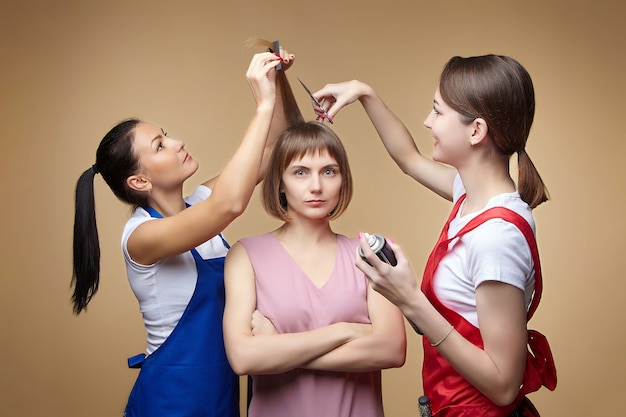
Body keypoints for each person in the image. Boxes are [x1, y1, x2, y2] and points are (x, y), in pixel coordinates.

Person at [312, 55, 557, 417]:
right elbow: (408, 158)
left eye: (437, 112)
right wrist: (365, 94)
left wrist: (410, 301)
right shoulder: (472, 198)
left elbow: (504, 386)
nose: (428, 122)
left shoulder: (496, 238)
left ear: (475, 130)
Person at [71, 45, 295, 417]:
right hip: (170, 402)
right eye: (160, 145)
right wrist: (261, 106)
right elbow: (229, 205)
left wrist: (275, 78)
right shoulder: (140, 238)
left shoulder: (202, 201)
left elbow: (274, 146)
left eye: (167, 135)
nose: (177, 143)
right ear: (140, 180)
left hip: (221, 398)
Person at [222, 121, 407, 417]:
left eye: (329, 171)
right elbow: (243, 358)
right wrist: (344, 331)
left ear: (343, 179)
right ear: (279, 182)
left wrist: (277, 348)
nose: (316, 186)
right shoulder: (245, 255)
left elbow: (392, 350)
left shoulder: (371, 255)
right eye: (300, 172)